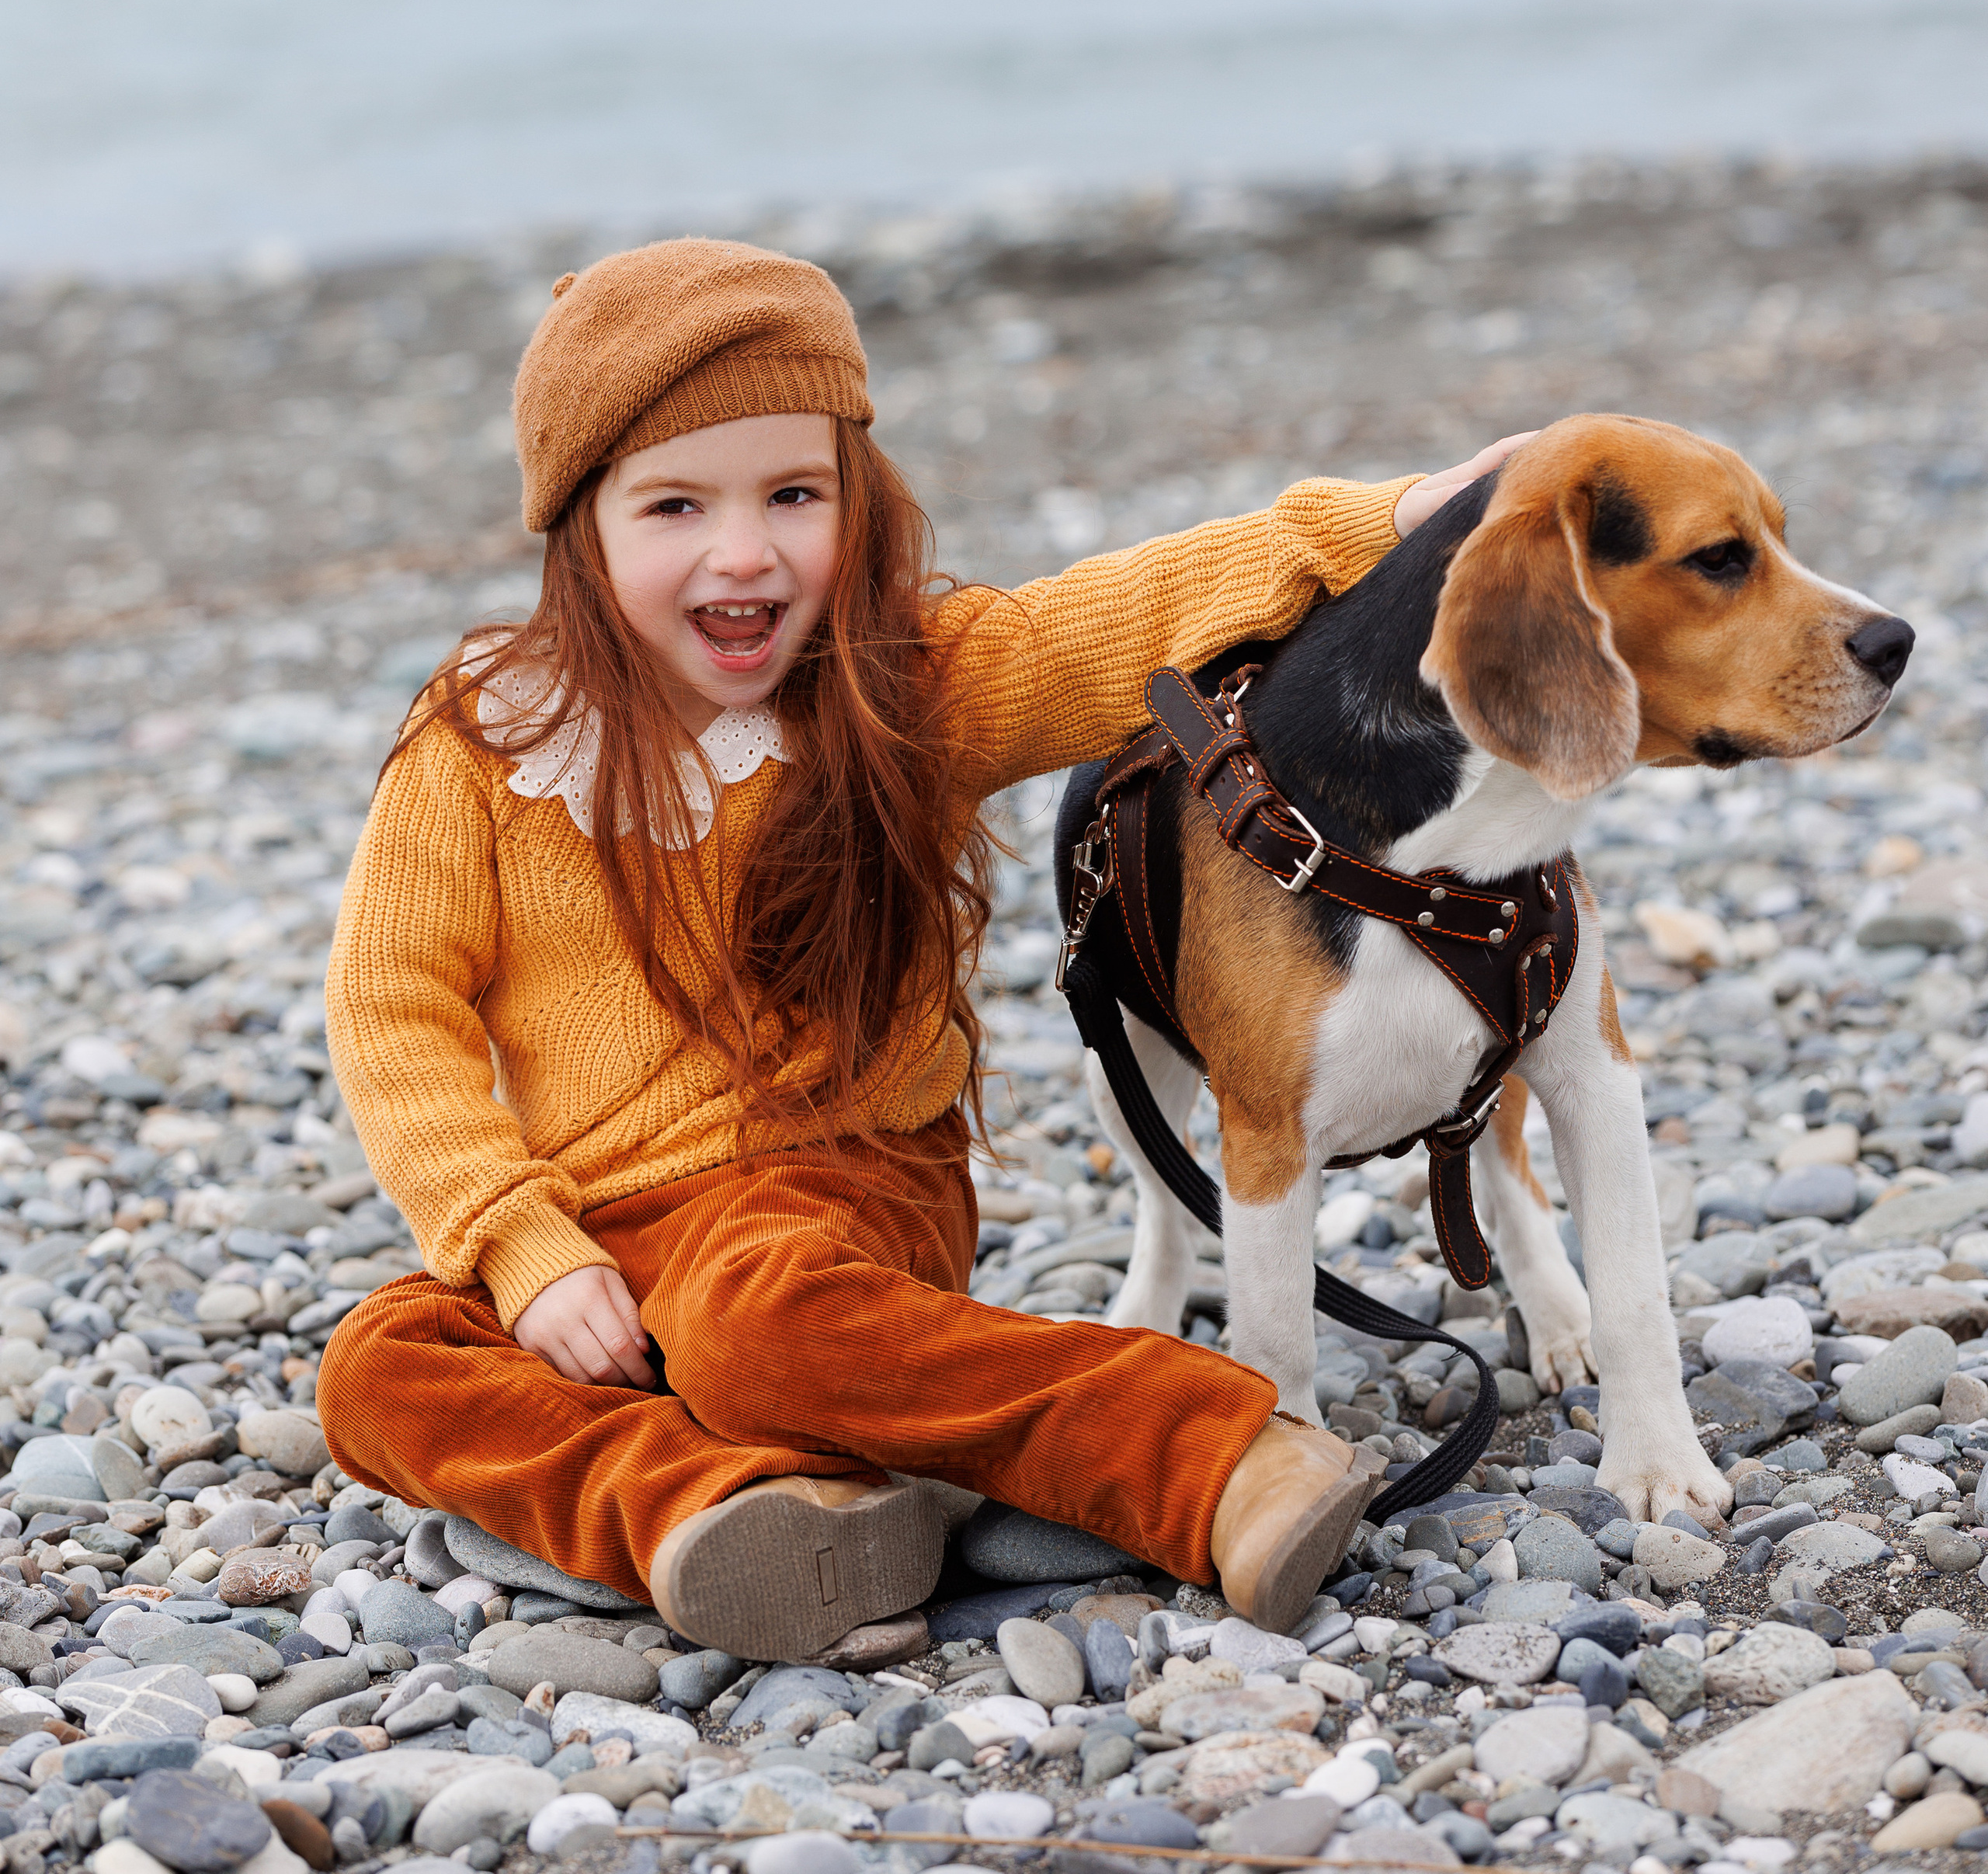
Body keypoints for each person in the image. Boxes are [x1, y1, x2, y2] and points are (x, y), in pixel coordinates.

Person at [318, 237, 1518, 1664]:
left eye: (794, 494)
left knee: (759, 1331)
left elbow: (1110, 619)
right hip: (590, 1227)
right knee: (375, 1370)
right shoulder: (485, 735)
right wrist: (520, 1244)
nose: (746, 550)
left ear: (856, 497)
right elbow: (394, 1005)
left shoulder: (903, 689)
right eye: (676, 505)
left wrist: (1393, 517)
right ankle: (741, 1503)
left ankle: (1217, 1454)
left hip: (835, 1193)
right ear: (581, 528)